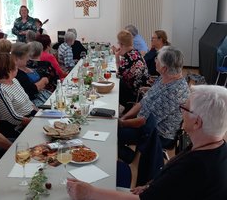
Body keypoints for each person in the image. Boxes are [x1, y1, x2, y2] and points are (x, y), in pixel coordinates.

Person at [68, 84, 227, 200]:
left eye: (184, 108)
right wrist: (151, 186)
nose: (180, 111)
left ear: (197, 123)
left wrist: (89, 193)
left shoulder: (195, 168)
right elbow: (173, 185)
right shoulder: (213, 147)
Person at [119, 46, 189, 155]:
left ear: (164, 68)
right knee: (115, 129)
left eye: (157, 60)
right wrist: (123, 118)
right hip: (144, 124)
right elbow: (143, 102)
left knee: (114, 134)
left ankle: (135, 161)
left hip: (158, 134)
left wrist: (121, 124)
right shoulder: (164, 77)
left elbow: (144, 122)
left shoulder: (174, 92)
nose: (155, 61)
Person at [0, 53, 37, 138]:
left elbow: (28, 101)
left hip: (30, 118)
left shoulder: (14, 80)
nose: (17, 68)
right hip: (17, 127)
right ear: (9, 70)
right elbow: (14, 118)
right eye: (15, 66)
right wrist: (36, 121)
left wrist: (39, 113)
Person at [115, 30, 149, 112]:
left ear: (121, 44)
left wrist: (116, 56)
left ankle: (124, 110)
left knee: (113, 87)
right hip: (142, 91)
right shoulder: (135, 52)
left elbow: (119, 74)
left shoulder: (127, 57)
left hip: (133, 93)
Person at [14, 42, 51, 107]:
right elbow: (31, 90)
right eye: (26, 56)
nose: (28, 59)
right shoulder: (17, 73)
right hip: (34, 102)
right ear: (18, 58)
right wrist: (43, 81)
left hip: (42, 95)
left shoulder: (25, 67)